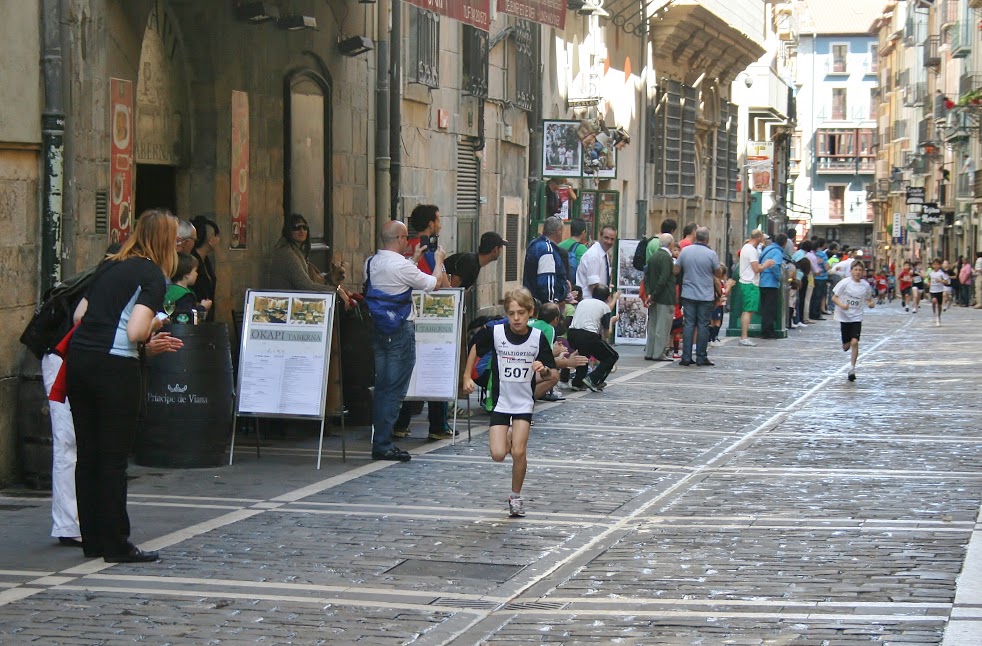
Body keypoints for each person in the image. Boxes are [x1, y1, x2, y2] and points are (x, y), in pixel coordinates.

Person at [65, 208, 184, 562]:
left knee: (88, 454)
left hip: (81, 361)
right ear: (166, 242)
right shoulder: (152, 275)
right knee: (114, 457)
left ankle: (93, 540)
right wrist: (155, 328)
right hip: (115, 366)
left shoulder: (111, 264)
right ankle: (116, 543)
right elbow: (134, 331)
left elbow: (79, 316)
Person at [462, 288, 557, 518]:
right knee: (497, 454)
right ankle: (506, 434)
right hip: (501, 402)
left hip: (524, 403)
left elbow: (552, 374)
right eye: (512, 313)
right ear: (506, 313)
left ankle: (516, 497)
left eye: (521, 313)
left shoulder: (537, 338)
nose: (516, 318)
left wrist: (542, 369)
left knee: (519, 451)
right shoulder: (495, 332)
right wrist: (466, 376)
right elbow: (475, 346)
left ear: (530, 313)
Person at [365, 220, 449, 461]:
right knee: (394, 389)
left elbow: (396, 280)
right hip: (400, 329)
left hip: (380, 328)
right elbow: (433, 285)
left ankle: (379, 438)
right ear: (401, 238)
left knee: (383, 386)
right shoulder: (402, 266)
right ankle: (382, 443)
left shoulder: (371, 263)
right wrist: (439, 260)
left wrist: (413, 258)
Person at [395, 204, 454, 441]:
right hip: (431, 316)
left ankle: (401, 423)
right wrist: (442, 265)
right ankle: (438, 424)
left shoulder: (402, 248)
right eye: (438, 220)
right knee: (435, 367)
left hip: (406, 317)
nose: (440, 224)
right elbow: (440, 284)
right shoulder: (428, 250)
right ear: (431, 224)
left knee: (410, 371)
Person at [675, 227, 720, 366]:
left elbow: (676, 270)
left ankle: (686, 357)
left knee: (688, 324)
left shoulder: (685, 252)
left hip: (688, 293)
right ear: (707, 239)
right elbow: (718, 273)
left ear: (695, 237)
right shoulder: (711, 254)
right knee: (703, 326)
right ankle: (701, 356)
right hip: (705, 295)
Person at [268, 214, 343, 292]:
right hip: (285, 301)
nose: (302, 231)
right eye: (296, 227)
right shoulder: (287, 254)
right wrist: (336, 290)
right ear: (288, 231)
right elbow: (306, 286)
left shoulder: (298, 252)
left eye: (304, 227)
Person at [567, 285, 619, 392]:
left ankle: (578, 383)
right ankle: (593, 380)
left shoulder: (583, 302)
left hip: (572, 333)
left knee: (583, 356)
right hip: (588, 335)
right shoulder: (604, 307)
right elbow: (607, 333)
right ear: (607, 297)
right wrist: (612, 321)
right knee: (612, 356)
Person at [831, 260, 875, 382]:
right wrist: (842, 305)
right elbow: (834, 298)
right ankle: (846, 343)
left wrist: (871, 303)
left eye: (860, 270)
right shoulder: (844, 283)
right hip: (844, 316)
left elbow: (868, 299)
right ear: (851, 271)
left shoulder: (865, 285)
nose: (858, 272)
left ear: (863, 272)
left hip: (856, 317)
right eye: (855, 270)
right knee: (846, 346)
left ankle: (852, 369)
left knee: (855, 342)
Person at [737, 229, 776, 346]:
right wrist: (766, 265)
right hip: (750, 283)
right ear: (758, 238)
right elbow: (756, 269)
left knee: (748, 310)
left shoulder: (746, 248)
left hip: (747, 282)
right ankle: (744, 337)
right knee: (748, 311)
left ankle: (744, 336)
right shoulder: (751, 250)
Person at [643, 232, 676, 361]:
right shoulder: (666, 258)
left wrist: (649, 294)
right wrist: (655, 295)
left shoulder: (653, 257)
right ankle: (658, 353)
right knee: (662, 327)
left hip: (654, 296)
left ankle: (650, 352)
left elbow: (646, 278)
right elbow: (663, 279)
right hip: (664, 297)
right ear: (670, 244)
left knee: (653, 326)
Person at [523, 216, 568, 304]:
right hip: (544, 305)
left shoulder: (536, 245)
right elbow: (547, 280)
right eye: (562, 231)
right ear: (558, 231)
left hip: (533, 300)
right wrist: (551, 302)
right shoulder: (547, 249)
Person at [165, 253, 212, 324]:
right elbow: (187, 317)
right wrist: (203, 307)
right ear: (187, 274)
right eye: (195, 270)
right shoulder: (185, 295)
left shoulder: (168, 290)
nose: (197, 274)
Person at [190, 216, 220, 321]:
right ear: (211, 240)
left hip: (207, 314)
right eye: (217, 236)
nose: (218, 239)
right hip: (196, 313)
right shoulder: (192, 261)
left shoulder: (206, 261)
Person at [758, 233, 787, 340]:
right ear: (784, 243)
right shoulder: (777, 252)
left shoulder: (768, 249)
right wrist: (779, 277)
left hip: (762, 280)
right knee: (769, 309)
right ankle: (768, 332)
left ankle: (765, 330)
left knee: (765, 307)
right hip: (770, 282)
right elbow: (775, 265)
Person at [576, 225, 616, 298]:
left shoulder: (603, 253)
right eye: (606, 238)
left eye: (612, 239)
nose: (609, 241)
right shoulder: (594, 255)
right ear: (600, 236)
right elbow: (594, 285)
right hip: (590, 301)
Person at [928, 258, 949, 327]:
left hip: (939, 290)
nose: (936, 266)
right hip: (932, 290)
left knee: (939, 305)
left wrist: (940, 281)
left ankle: (938, 317)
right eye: (934, 264)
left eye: (937, 264)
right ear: (932, 265)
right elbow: (927, 280)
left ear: (940, 265)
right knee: (934, 301)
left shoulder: (942, 273)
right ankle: (934, 313)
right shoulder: (930, 273)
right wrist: (928, 283)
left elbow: (947, 281)